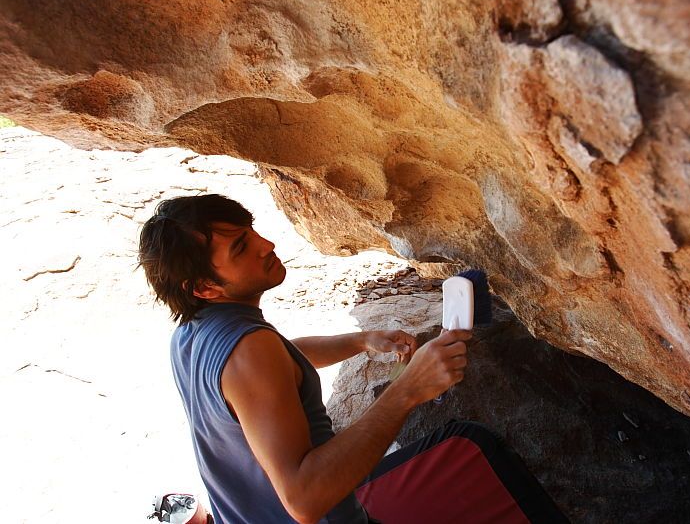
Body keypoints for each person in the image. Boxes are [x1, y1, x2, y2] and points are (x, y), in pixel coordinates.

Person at [138, 194, 472, 524]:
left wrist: (362, 340)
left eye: (251, 231)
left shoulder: (189, 337)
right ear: (204, 287)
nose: (266, 244)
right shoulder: (251, 349)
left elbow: (274, 370)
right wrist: (408, 389)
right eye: (241, 247)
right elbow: (305, 499)